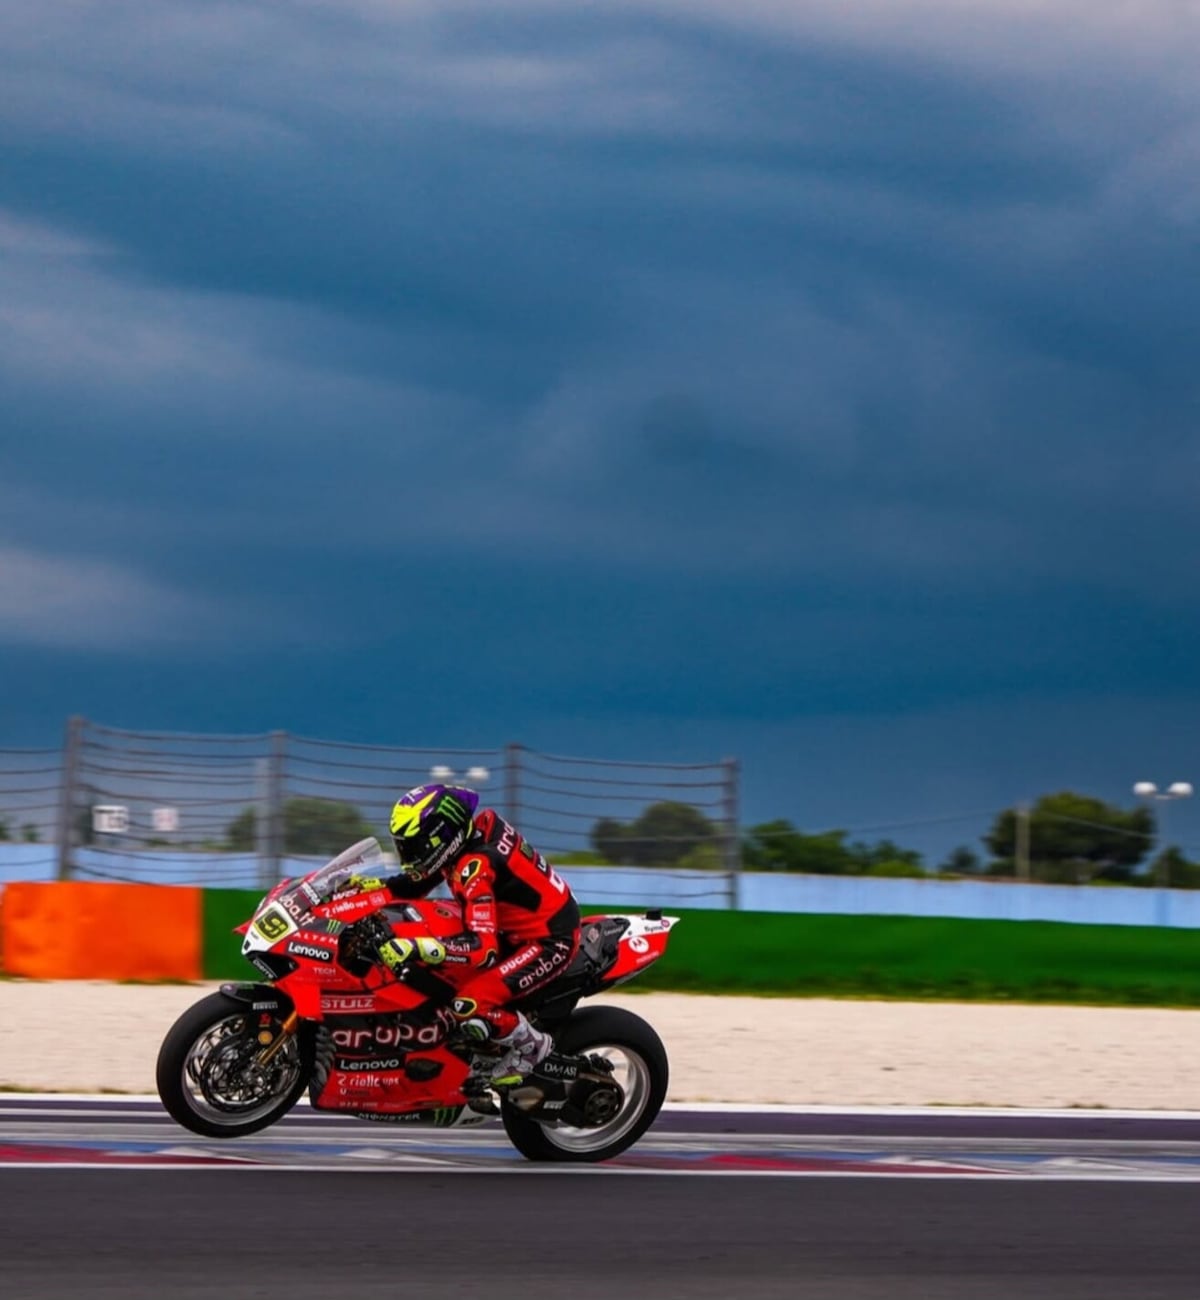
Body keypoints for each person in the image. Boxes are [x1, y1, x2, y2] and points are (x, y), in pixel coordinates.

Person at [351, 783, 581, 1087]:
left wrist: (417, 947)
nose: (408, 855)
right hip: (513, 928)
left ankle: (532, 1047)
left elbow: (481, 950)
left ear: (444, 837)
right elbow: (420, 881)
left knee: (470, 1004)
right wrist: (375, 888)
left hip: (549, 941)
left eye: (415, 846)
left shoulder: (476, 868)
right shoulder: (466, 838)